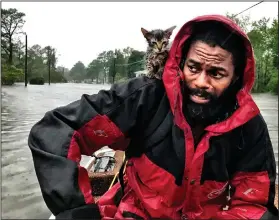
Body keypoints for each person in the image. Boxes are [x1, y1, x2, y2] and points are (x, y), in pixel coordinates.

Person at [28, 14, 278, 219]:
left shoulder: (248, 124)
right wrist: (77, 212)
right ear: (180, 62)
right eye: (193, 68)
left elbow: (254, 205)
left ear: (235, 78)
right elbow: (57, 131)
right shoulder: (144, 98)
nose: (201, 82)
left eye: (216, 73)